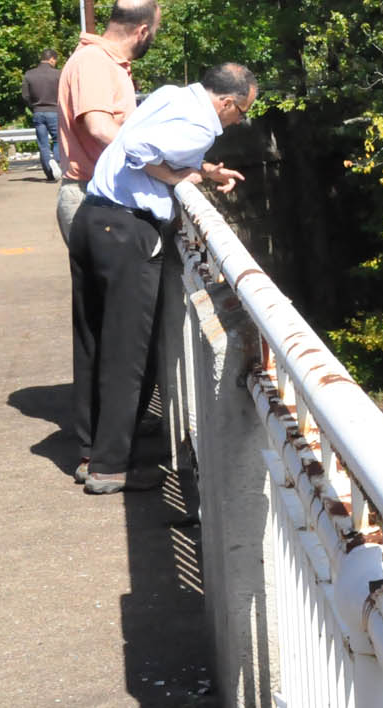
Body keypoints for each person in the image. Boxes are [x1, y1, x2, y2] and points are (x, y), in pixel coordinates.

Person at [69, 62, 253, 494]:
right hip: (127, 231)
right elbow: (139, 148)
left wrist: (204, 171)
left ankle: (89, 452)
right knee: (129, 352)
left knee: (91, 341)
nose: (240, 121)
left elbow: (151, 140)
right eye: (243, 112)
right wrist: (174, 178)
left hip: (92, 220)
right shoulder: (202, 126)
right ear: (227, 102)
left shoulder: (173, 95)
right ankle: (110, 468)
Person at [55, 0, 160, 244]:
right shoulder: (94, 61)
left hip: (99, 197)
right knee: (114, 284)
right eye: (156, 32)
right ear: (143, 31)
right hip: (92, 196)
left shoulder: (108, 62)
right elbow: (100, 127)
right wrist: (158, 166)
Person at [20, 49, 62, 180]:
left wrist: (33, 106)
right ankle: (57, 166)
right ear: (52, 59)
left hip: (38, 112)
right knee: (58, 140)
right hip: (54, 111)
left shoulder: (29, 74)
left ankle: (49, 173)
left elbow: (25, 96)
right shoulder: (58, 74)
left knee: (43, 144)